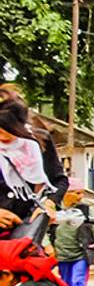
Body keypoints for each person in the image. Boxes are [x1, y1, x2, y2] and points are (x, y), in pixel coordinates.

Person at [0, 98, 63, 236]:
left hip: (23, 235)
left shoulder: (38, 143)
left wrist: (48, 204)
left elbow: (59, 181)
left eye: (5, 136)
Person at [51, 185, 94, 286]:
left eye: (81, 193)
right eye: (77, 193)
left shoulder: (86, 210)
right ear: (66, 193)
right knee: (65, 281)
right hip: (61, 253)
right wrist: (47, 245)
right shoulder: (54, 209)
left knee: (78, 279)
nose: (80, 196)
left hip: (81, 252)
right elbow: (43, 230)